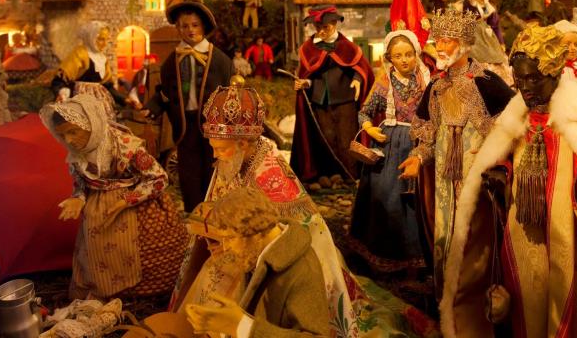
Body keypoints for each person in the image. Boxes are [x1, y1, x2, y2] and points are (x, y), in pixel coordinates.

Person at [439, 26, 577, 338]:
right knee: (525, 293)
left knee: (562, 295)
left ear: (554, 75)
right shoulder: (515, 121)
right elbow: (506, 159)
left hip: (565, 236)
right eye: (520, 79)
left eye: (534, 79)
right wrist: (500, 172)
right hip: (522, 230)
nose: (526, 87)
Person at [175, 85, 435, 337]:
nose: (215, 156)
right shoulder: (230, 160)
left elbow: (293, 238)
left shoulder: (271, 176)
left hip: (274, 264)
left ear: (243, 144)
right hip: (233, 250)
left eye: (220, 149)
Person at [398, 8, 515, 294]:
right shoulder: (436, 87)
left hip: (477, 172)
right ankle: (446, 292)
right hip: (442, 177)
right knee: (444, 230)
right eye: (437, 40)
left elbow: (512, 122)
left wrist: (495, 154)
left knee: (477, 231)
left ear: (463, 43)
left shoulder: (487, 82)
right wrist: (418, 157)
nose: (440, 46)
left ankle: (479, 293)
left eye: (447, 40)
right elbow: (426, 127)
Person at [42, 94, 188, 299]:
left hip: (137, 206)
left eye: (73, 132)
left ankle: (143, 291)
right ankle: (106, 290)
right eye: (63, 135)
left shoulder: (124, 144)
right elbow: (81, 184)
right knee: (96, 249)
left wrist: (125, 201)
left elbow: (159, 178)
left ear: (90, 124)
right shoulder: (78, 154)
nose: (69, 140)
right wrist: (78, 198)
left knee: (141, 249)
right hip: (98, 209)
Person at [184, 187, 329, 337]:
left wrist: (243, 327)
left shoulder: (302, 270)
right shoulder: (256, 255)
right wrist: (223, 327)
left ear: (256, 234)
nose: (226, 247)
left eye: (230, 238)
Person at [348, 30, 429, 274]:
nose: (404, 60)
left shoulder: (426, 79)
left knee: (416, 201)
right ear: (389, 58)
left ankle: (417, 256)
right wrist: (369, 128)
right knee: (386, 198)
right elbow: (364, 111)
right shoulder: (384, 82)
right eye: (398, 56)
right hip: (390, 144)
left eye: (408, 54)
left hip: (418, 144)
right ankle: (382, 255)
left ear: (416, 54)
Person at [145, 0, 233, 212]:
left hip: (213, 125)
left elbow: (230, 90)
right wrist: (154, 105)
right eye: (185, 26)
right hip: (184, 123)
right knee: (189, 167)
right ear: (178, 29)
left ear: (203, 26)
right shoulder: (172, 61)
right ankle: (194, 209)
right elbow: (164, 91)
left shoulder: (219, 60)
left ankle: (215, 206)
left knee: (213, 164)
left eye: (195, 25)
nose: (190, 30)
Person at [292, 4, 374, 181]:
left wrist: (358, 80)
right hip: (319, 100)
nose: (321, 31)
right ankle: (329, 174)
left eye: (326, 27)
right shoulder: (309, 48)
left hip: (345, 99)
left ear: (335, 24)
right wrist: (304, 83)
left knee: (346, 138)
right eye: (318, 27)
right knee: (325, 138)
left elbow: (362, 69)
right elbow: (309, 75)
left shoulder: (348, 47)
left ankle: (350, 175)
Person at [52, 20, 128, 116]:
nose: (104, 43)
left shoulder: (102, 59)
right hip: (80, 102)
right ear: (91, 38)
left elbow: (108, 86)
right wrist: (62, 93)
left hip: (100, 103)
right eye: (100, 39)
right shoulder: (80, 54)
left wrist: (124, 99)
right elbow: (60, 79)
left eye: (106, 39)